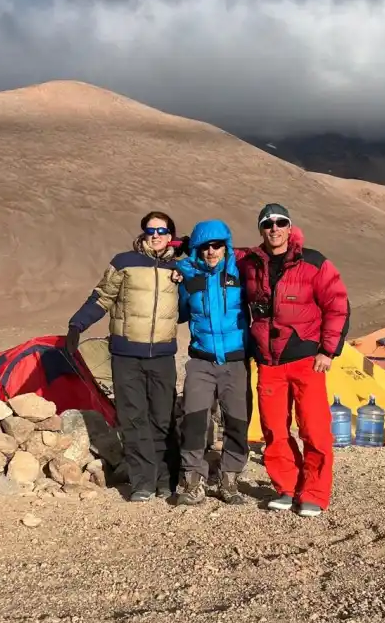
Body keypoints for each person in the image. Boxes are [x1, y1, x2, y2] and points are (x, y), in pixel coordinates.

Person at [237, 203, 350, 517]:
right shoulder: (250, 262)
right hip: (269, 363)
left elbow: (338, 306)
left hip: (307, 360)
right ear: (261, 230)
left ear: (290, 227)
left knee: (314, 429)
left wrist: (328, 351)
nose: (274, 229)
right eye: (267, 224)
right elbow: (216, 250)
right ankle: (286, 487)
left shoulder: (313, 262)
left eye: (280, 222)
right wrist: (179, 247)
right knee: (274, 429)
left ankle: (313, 491)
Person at [66, 211, 182, 502]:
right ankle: (142, 481)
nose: (155, 235)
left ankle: (166, 479)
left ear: (171, 236)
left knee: (162, 417)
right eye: (149, 230)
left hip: (163, 355)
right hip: (126, 354)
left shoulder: (180, 268)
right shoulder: (124, 262)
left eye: (161, 230)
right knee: (133, 417)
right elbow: (102, 296)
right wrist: (77, 324)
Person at [175, 219, 250, 506]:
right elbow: (181, 314)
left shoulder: (241, 272)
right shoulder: (188, 276)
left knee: (237, 420)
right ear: (196, 250)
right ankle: (194, 480)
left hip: (236, 360)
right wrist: (178, 276)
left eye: (217, 245)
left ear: (226, 247)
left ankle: (229, 479)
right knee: (194, 420)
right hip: (201, 360)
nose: (211, 251)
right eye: (204, 246)